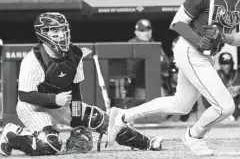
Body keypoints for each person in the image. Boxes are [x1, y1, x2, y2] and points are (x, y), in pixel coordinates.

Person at [108, 0, 240, 156]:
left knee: (181, 105)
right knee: (225, 106)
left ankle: (122, 116)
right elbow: (177, 23)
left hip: (207, 55)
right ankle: (194, 136)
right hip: (188, 48)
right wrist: (200, 41)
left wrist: (220, 37)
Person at [0, 12, 162, 157]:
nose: (61, 34)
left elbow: (75, 92)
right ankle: (11, 134)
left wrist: (77, 124)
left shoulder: (75, 54)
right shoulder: (32, 59)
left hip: (61, 104)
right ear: (43, 34)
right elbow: (24, 95)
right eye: (55, 31)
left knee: (98, 118)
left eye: (63, 30)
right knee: (49, 145)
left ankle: (146, 142)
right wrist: (54, 99)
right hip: (32, 107)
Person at [202, 53, 240, 122]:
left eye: (228, 64)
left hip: (236, 112)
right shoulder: (213, 76)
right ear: (220, 65)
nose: (226, 67)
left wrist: (234, 116)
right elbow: (206, 98)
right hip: (217, 113)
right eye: (223, 64)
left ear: (232, 64)